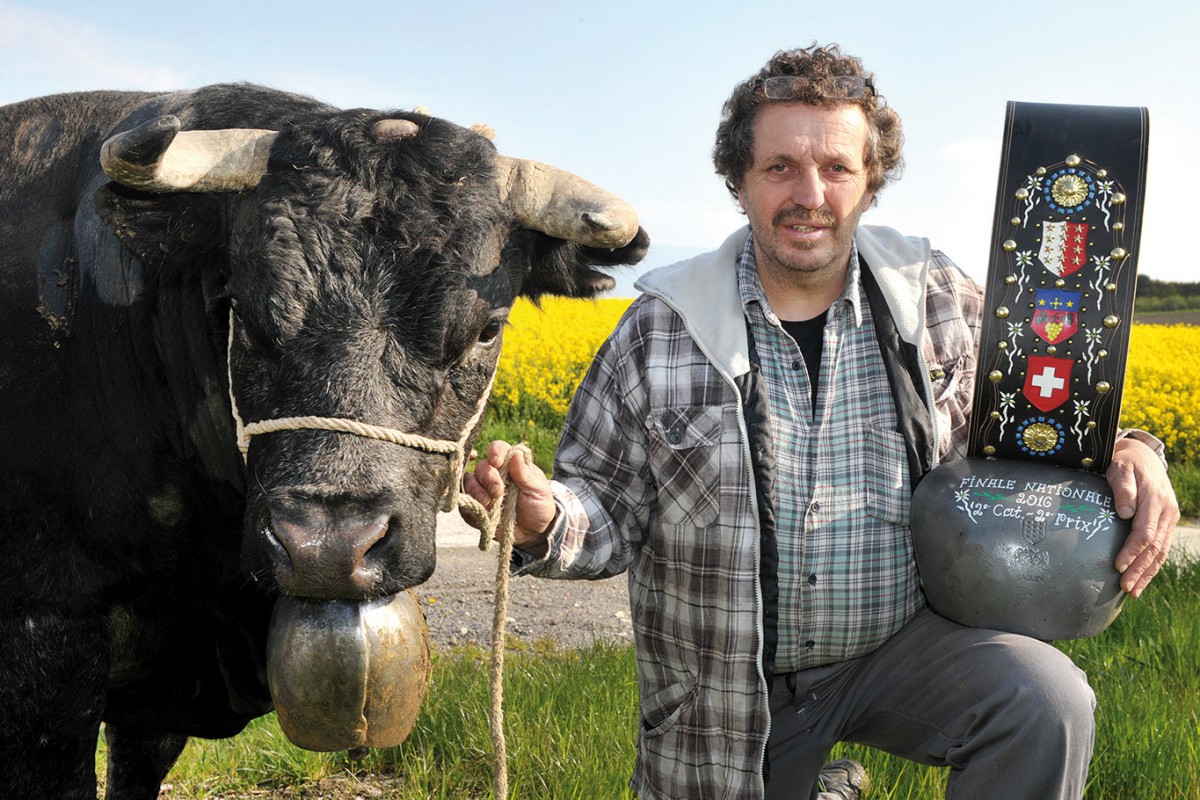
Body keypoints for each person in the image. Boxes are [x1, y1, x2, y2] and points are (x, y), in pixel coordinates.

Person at [463, 44, 1180, 800]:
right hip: (727, 687)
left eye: (837, 168)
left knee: (1044, 703)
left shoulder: (934, 296)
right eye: (779, 168)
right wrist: (545, 518)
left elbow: (1041, 420)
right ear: (739, 182)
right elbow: (604, 510)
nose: (811, 195)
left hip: (899, 648)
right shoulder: (658, 331)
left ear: (870, 182)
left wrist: (1134, 448)